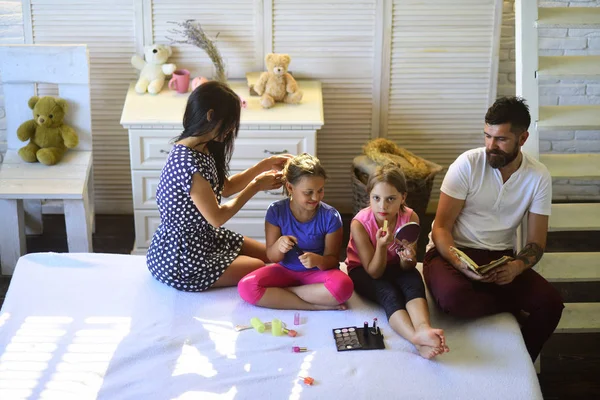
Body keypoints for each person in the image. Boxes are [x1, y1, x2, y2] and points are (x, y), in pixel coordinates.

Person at [423, 96, 564, 361]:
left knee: (551, 304)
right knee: (455, 299)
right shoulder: (468, 164)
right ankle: (512, 307)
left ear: (522, 139)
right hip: (451, 251)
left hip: (498, 257)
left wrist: (516, 267)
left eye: (500, 139)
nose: (490, 146)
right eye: (487, 136)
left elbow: (536, 243)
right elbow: (441, 227)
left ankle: (518, 365)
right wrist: (459, 262)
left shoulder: (538, 176)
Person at [146, 81, 291, 292]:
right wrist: (256, 186)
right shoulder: (187, 163)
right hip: (182, 257)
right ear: (210, 115)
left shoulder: (203, 148)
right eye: (230, 122)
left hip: (205, 238)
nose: (232, 129)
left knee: (271, 254)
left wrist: (265, 164)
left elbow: (227, 187)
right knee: (260, 266)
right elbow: (217, 218)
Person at [345, 164, 448, 359]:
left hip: (395, 266)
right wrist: (382, 246)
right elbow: (374, 272)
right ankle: (415, 338)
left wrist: (407, 258)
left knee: (413, 282)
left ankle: (424, 328)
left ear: (403, 197)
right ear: (369, 196)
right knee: (389, 293)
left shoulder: (410, 218)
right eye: (376, 198)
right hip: (364, 270)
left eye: (391, 199)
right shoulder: (360, 224)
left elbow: (407, 266)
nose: (382, 206)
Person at [238, 153, 354, 310]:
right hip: (284, 270)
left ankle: (284, 294)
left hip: (316, 274)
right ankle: (314, 306)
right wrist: (279, 246)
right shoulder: (276, 211)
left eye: (320, 190)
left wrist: (318, 260)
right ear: (290, 187)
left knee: (344, 286)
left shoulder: (331, 216)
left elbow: (333, 260)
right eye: (308, 192)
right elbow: (272, 257)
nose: (316, 197)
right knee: (246, 287)